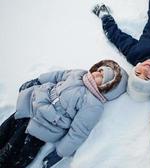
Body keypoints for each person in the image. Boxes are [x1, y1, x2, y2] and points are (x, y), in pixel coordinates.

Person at [0, 59, 128, 168]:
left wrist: (60, 153)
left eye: (102, 77)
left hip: (43, 127)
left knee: (12, 153)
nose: (97, 74)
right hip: (31, 103)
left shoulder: (93, 104)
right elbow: (57, 76)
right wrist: (37, 81)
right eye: (99, 70)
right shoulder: (79, 74)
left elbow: (78, 132)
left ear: (108, 87)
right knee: (5, 130)